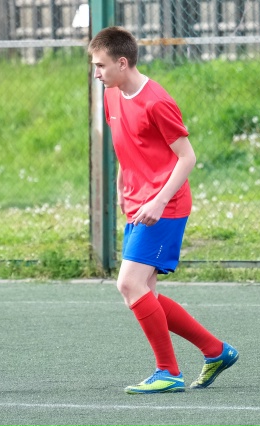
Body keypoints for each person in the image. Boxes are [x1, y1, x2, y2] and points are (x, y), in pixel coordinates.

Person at [88, 26, 238, 394]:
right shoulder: (111, 94)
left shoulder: (157, 101)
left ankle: (168, 372)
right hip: (138, 204)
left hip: (165, 206)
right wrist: (123, 186)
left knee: (129, 284)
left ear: (123, 63)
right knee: (144, 294)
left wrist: (157, 200)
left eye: (101, 65)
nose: (97, 73)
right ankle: (216, 351)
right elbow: (128, 147)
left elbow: (187, 158)